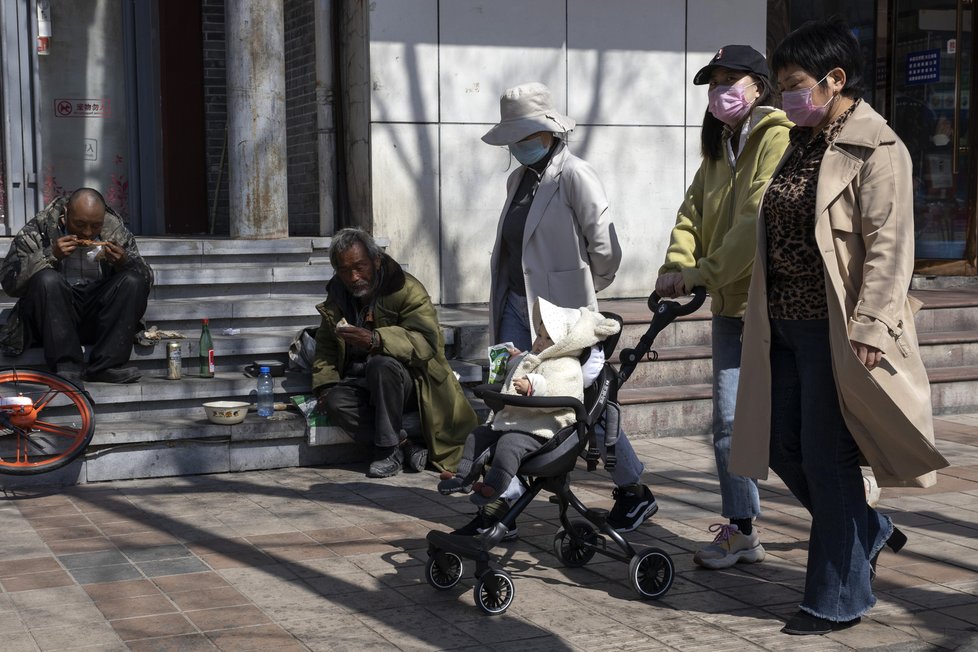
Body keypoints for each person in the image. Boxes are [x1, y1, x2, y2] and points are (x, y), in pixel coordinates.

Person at [728, 18, 949, 636]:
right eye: (780, 86)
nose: (785, 97)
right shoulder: (798, 142)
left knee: (827, 461)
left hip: (837, 331)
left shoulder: (880, 149)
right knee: (778, 446)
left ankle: (837, 598)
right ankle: (868, 530)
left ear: (835, 80)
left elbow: (890, 247)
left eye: (795, 85)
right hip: (780, 327)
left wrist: (872, 326)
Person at [468, 81, 654, 537]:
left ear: (550, 131)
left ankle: (632, 488)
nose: (519, 145)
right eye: (514, 137)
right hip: (515, 307)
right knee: (512, 396)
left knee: (578, 402)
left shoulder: (575, 175)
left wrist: (587, 290)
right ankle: (504, 495)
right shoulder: (518, 180)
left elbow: (605, 248)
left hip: (564, 318)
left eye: (526, 135)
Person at [655, 45, 791, 569]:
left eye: (732, 79)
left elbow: (753, 224)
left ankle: (853, 516)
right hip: (728, 310)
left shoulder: (774, 137)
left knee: (790, 430)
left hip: (772, 304)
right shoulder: (719, 146)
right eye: (714, 83)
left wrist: (699, 275)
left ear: (759, 85)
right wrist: (676, 264)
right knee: (729, 424)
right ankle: (742, 528)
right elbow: (691, 212)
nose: (721, 91)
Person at [312, 228, 478, 478]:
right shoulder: (338, 293)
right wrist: (325, 384)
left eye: (360, 266)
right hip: (362, 381)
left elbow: (426, 341)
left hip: (414, 381)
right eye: (345, 270)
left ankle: (387, 451)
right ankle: (404, 445)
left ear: (376, 260)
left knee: (382, 365)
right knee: (336, 401)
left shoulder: (406, 288)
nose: (354, 276)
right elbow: (325, 343)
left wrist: (376, 339)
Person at [438, 299, 619, 501]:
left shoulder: (566, 365)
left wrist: (533, 387)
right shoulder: (536, 356)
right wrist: (515, 360)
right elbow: (525, 369)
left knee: (509, 444)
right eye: (539, 335)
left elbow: (557, 391)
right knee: (477, 435)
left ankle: (494, 486)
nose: (540, 342)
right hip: (516, 422)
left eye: (548, 338)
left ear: (565, 343)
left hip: (544, 429)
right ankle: (464, 477)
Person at [0, 188, 152, 385]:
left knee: (133, 281)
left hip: (97, 314)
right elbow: (11, 283)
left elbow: (146, 283)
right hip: (51, 316)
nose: (87, 232)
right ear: (65, 214)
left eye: (95, 226)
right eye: (79, 224)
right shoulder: (40, 229)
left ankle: (107, 366)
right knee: (48, 280)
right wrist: (49, 255)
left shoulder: (115, 230)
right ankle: (67, 366)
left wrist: (125, 262)